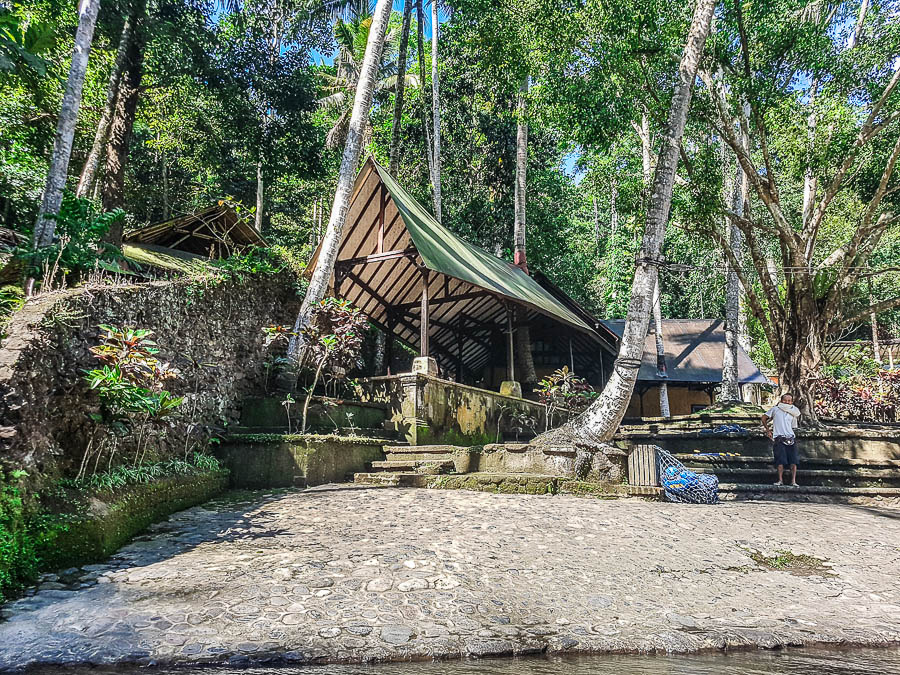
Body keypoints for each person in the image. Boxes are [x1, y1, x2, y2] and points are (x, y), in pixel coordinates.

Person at [761, 393, 801, 487]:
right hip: (779, 438)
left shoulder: (793, 412)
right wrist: (768, 430)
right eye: (785, 400)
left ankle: (793, 481)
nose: (787, 402)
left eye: (789, 400)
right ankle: (780, 480)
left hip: (790, 437)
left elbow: (793, 426)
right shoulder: (775, 409)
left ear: (792, 402)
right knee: (780, 461)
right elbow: (763, 418)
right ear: (781, 400)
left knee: (794, 461)